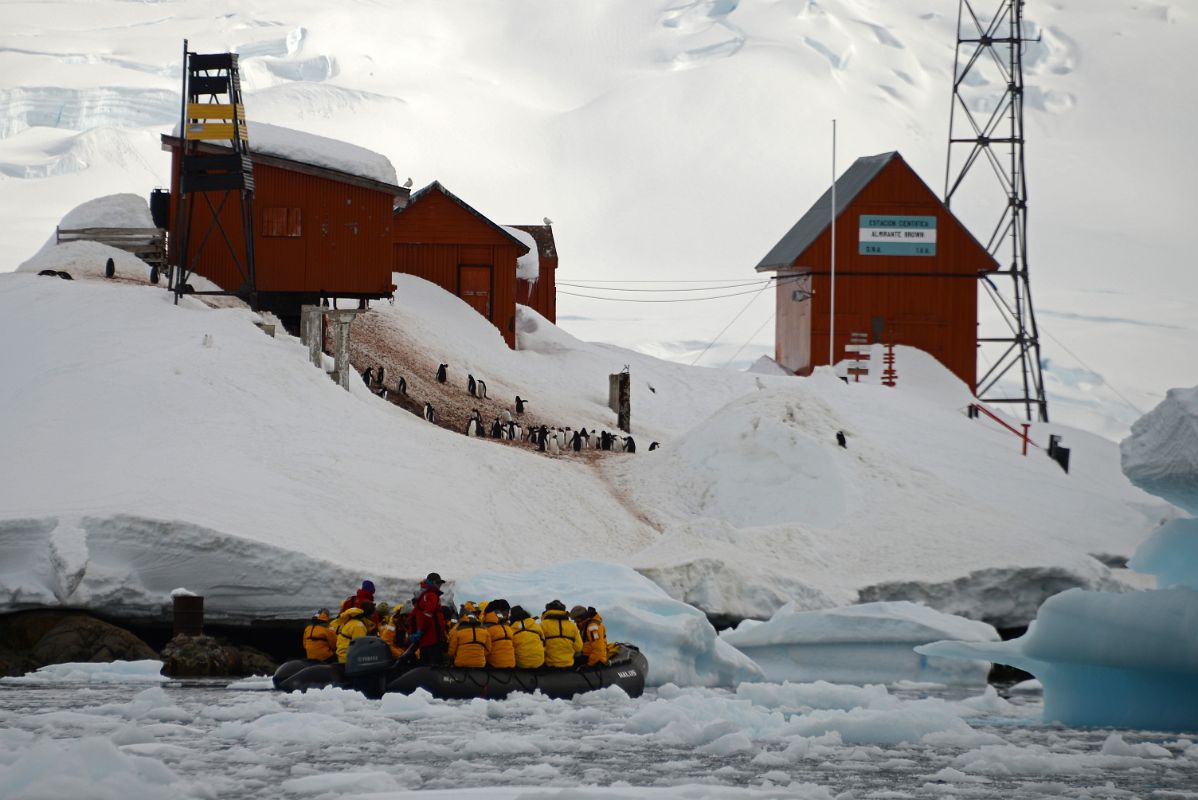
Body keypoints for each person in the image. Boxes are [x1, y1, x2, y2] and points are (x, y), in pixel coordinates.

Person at [410, 572, 449, 665]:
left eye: (440, 583)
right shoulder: (432, 595)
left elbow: (413, 615)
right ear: (431, 583)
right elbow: (428, 614)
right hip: (433, 638)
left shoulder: (423, 596)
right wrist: (420, 631)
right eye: (437, 583)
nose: (439, 585)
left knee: (425, 665)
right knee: (435, 666)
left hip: (425, 639)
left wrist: (416, 632)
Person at [540, 599, 582, 668]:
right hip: (568, 664)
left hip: (549, 665)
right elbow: (579, 647)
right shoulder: (572, 626)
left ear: (547, 610)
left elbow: (539, 646)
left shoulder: (542, 625)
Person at [509, 605, 545, 669]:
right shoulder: (535, 625)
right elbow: (543, 640)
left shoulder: (511, 629)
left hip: (521, 663)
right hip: (539, 661)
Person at [483, 599, 516, 668]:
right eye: (506, 611)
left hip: (494, 666)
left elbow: (484, 650)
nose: (508, 614)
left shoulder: (486, 629)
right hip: (511, 664)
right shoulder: (508, 628)